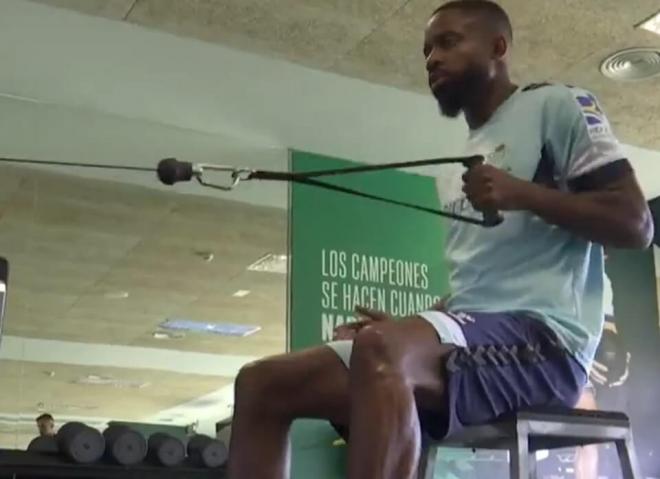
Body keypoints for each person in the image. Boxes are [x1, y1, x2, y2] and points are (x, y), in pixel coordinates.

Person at [226, 2, 653, 478]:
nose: (431, 58)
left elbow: (636, 224)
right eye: (427, 49)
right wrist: (413, 325)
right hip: (478, 337)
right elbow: (479, 288)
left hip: (549, 345)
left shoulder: (556, 105)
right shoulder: (463, 163)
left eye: (448, 42)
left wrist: (523, 194)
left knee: (384, 349)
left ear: (498, 47)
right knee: (262, 383)